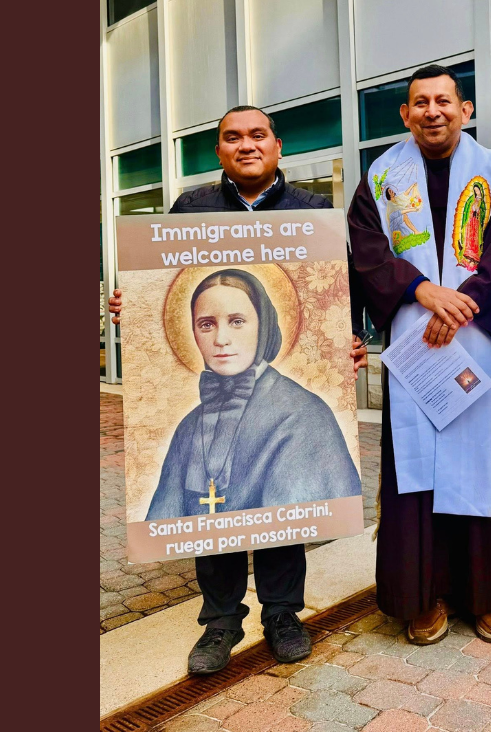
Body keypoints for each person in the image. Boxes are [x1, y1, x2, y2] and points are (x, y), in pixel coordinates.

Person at [108, 106, 370, 674]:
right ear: (219, 151)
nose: (246, 145)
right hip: (205, 417)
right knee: (211, 512)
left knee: (283, 511)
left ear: (278, 145)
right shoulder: (191, 210)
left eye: (257, 135)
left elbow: (343, 290)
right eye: (232, 138)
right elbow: (154, 282)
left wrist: (347, 340)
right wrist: (140, 302)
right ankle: (221, 620)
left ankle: (282, 613)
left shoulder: (310, 212)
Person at [348, 65, 491, 645]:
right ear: (405, 115)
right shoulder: (380, 178)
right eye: (420, 103)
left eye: (443, 101)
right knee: (419, 477)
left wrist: (462, 306)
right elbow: (366, 253)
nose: (431, 111)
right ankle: (424, 594)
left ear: (465, 110)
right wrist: (423, 293)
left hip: (482, 342)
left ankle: (489, 594)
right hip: (415, 345)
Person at [146, 269, 360, 520]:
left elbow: (294, 522)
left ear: (263, 325)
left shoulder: (303, 414)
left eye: (237, 321)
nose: (221, 339)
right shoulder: (189, 426)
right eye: (206, 324)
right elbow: (162, 520)